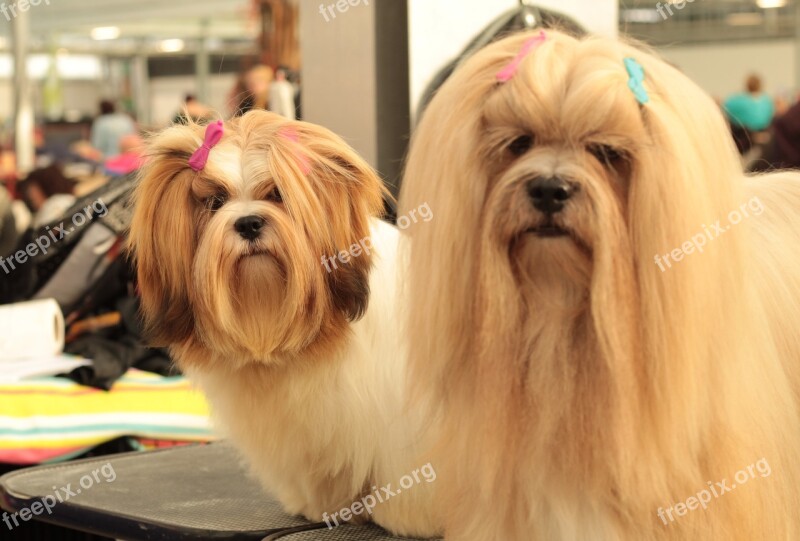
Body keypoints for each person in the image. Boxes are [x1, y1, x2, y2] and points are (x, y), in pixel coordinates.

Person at [724, 75, 775, 153]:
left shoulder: (737, 100)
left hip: (744, 136)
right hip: (764, 134)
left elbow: (725, 109)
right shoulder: (766, 100)